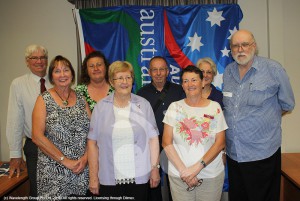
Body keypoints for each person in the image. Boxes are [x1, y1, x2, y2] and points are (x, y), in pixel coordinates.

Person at [223, 29, 295, 201]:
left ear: (254, 46)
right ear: (231, 49)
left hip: (262, 153)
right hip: (234, 153)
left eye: (245, 44)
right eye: (235, 45)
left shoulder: (273, 69)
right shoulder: (228, 72)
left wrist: (264, 120)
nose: (240, 49)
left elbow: (287, 104)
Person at [88, 61, 160, 200]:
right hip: (109, 179)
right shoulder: (101, 107)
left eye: (128, 77)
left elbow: (153, 139)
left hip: (139, 178)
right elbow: (92, 144)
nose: (125, 82)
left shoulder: (143, 105)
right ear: (111, 81)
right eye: (119, 78)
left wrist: (155, 168)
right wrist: (93, 177)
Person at [162, 65, 228, 201]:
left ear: (203, 82)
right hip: (180, 176)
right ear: (182, 85)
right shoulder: (174, 107)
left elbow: (220, 142)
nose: (189, 84)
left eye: (194, 80)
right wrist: (184, 172)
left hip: (210, 176)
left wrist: (196, 169)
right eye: (185, 81)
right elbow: (166, 142)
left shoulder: (214, 107)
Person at [32, 55, 91, 198]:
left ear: (72, 74)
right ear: (51, 76)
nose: (62, 75)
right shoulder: (43, 99)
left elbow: (93, 132)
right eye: (57, 71)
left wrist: (86, 158)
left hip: (81, 170)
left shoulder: (81, 99)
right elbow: (37, 136)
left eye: (66, 70)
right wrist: (65, 161)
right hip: (53, 173)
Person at [137, 56, 185, 201]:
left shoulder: (179, 91)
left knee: (176, 181)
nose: (158, 73)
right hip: (152, 143)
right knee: (153, 181)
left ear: (168, 71)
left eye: (162, 69)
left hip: (175, 143)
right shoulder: (141, 94)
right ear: (149, 72)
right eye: (154, 70)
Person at [6, 44, 51, 197]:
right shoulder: (18, 84)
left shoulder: (57, 80)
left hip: (58, 145)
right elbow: (14, 120)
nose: (39, 61)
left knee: (59, 190)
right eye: (34, 58)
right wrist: (15, 154)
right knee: (38, 191)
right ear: (27, 61)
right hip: (35, 146)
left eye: (42, 57)